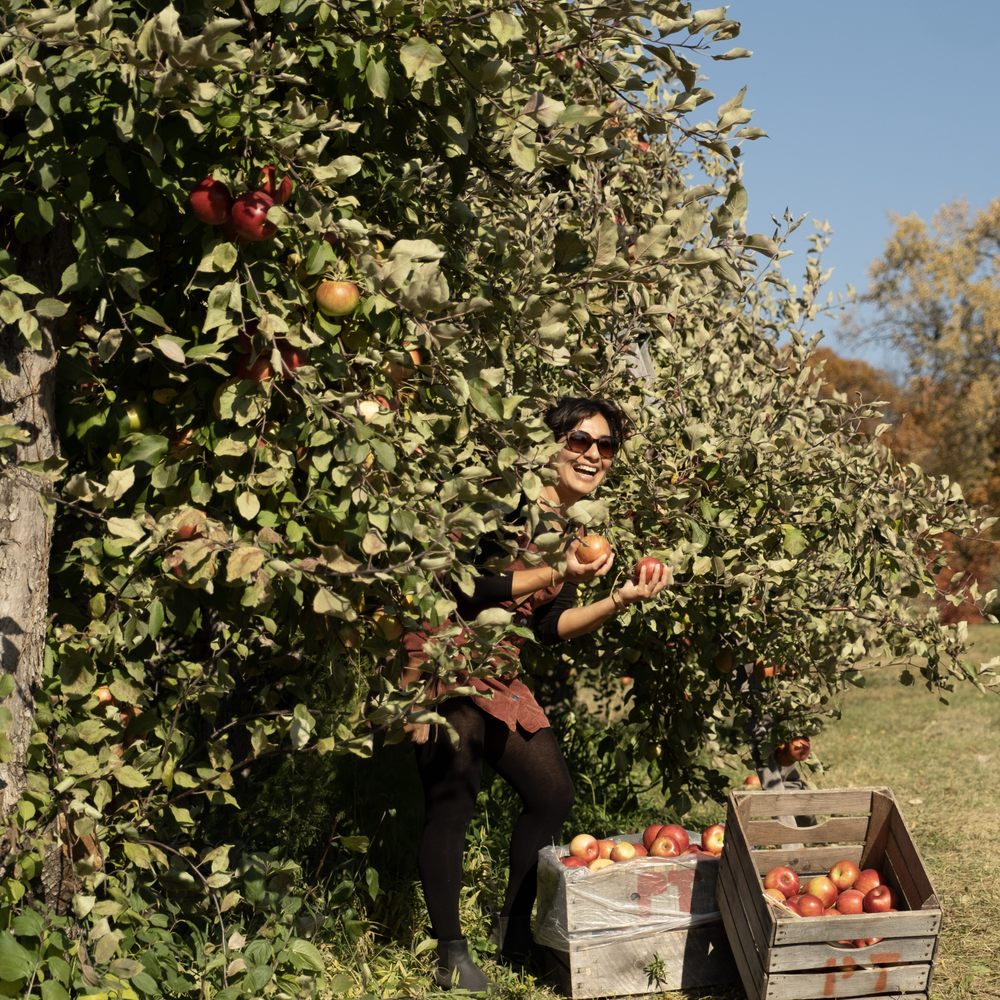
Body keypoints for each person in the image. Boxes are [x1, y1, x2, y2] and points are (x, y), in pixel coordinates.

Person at [401, 396, 670, 993]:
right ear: (551, 445)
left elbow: (548, 627)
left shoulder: (576, 531)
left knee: (551, 794)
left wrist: (618, 599)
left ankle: (513, 929)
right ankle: (450, 952)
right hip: (443, 655)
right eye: (579, 441)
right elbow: (464, 585)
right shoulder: (505, 501)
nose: (593, 454)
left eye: (604, 446)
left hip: (497, 666)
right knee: (454, 796)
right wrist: (558, 573)